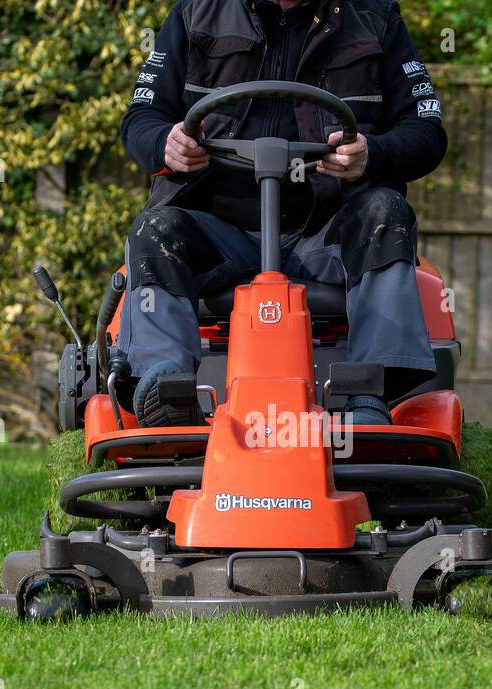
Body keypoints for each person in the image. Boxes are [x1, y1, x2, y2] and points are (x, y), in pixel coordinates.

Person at [117, 0, 446, 426]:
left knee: (385, 211)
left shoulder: (375, 17)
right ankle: (166, 392)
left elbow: (425, 132)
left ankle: (369, 397)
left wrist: (373, 154)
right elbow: (141, 118)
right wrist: (166, 142)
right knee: (156, 229)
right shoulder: (195, 13)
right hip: (218, 238)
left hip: (326, 236)